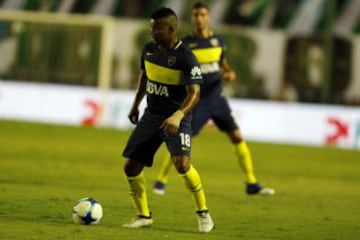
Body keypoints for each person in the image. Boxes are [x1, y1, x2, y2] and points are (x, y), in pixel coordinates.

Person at [153, 2, 275, 196]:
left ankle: (251, 183)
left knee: (237, 137)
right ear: (192, 19)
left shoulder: (218, 41)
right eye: (196, 15)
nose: (199, 18)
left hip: (218, 100)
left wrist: (229, 73)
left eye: (202, 14)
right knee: (184, 140)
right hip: (198, 101)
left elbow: (223, 65)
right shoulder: (185, 45)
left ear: (208, 18)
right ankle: (161, 180)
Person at [121, 7, 214, 233]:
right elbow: (144, 79)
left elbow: (194, 94)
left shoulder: (187, 58)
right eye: (150, 27)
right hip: (151, 115)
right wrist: (135, 106)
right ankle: (144, 216)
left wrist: (178, 115)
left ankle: (203, 213)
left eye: (156, 28)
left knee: (182, 164)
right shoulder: (149, 50)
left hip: (177, 116)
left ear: (171, 29)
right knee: (131, 167)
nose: (151, 32)